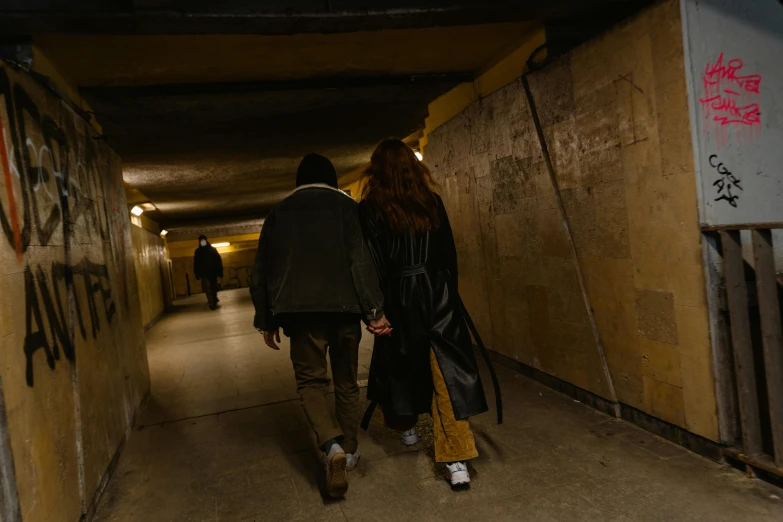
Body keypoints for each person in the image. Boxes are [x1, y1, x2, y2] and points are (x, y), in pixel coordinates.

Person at [250, 153, 391, 499]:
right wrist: (374, 311)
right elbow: (361, 262)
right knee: (346, 381)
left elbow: (262, 271)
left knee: (311, 383)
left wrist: (267, 318)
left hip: (300, 316)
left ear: (299, 182)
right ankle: (352, 449)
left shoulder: (277, 214)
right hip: (344, 312)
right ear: (332, 181)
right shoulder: (348, 209)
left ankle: (332, 448)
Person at [360, 139, 490, 491]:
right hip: (438, 292)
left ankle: (408, 429)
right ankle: (457, 459)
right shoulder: (431, 202)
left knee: (401, 364)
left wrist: (377, 310)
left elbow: (372, 263)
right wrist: (450, 294)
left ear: (378, 169)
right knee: (445, 369)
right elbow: (448, 255)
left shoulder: (371, 207)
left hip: (399, 296)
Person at [193, 235, 223, 310]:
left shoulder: (209, 250)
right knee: (209, 288)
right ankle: (212, 302)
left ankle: (213, 301)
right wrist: (196, 273)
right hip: (207, 273)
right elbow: (196, 263)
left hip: (210, 273)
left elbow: (218, 261)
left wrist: (220, 271)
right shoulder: (207, 251)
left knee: (212, 288)